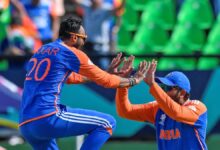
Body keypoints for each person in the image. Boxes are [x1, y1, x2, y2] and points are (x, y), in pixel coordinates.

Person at [19, 16, 147, 150]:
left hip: (26, 123)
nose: (84, 42)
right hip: (47, 117)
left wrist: (104, 74)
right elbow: (107, 81)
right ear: (74, 37)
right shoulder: (71, 52)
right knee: (107, 123)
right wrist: (133, 80)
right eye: (83, 38)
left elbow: (69, 78)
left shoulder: (41, 50)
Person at [115, 59, 208, 150]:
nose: (163, 91)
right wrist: (122, 84)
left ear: (182, 92)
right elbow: (125, 111)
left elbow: (177, 113)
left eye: (167, 88)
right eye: (162, 87)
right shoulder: (158, 108)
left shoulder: (198, 107)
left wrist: (153, 85)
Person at [73, 0, 125, 69]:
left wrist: (124, 2)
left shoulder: (106, 8)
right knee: (88, 72)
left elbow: (118, 10)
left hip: (101, 47)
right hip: (87, 45)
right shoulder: (87, 5)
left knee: (102, 71)